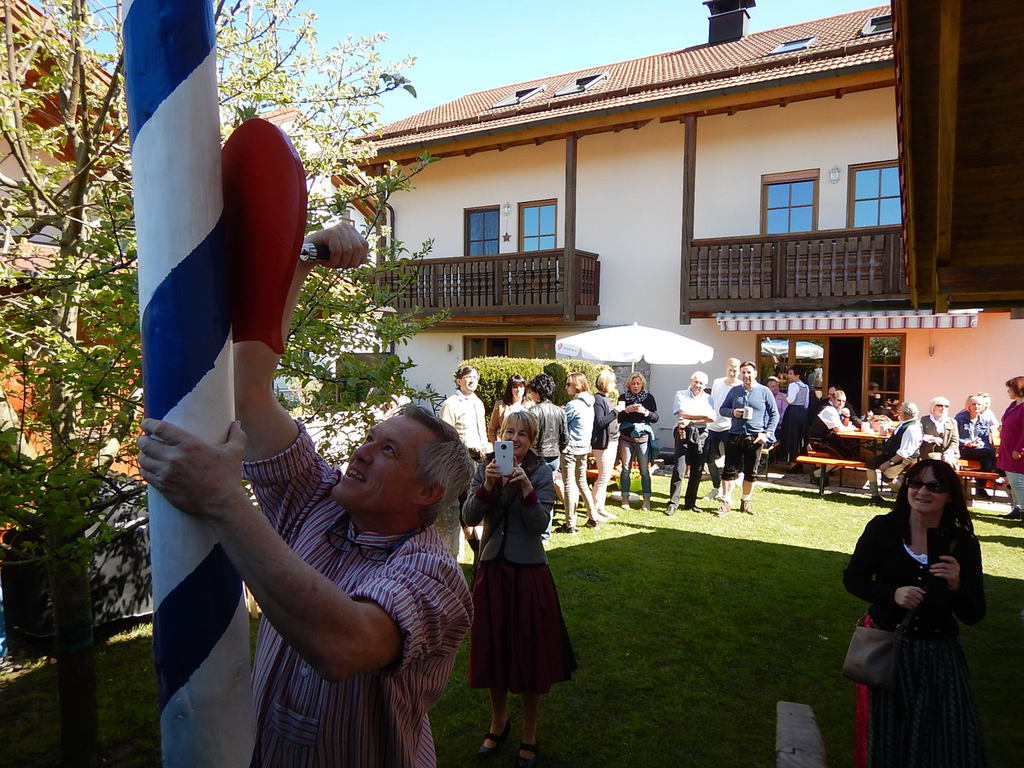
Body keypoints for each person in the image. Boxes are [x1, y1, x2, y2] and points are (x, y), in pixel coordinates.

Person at [136, 222, 475, 767]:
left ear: (427, 492)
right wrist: (303, 256)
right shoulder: (319, 498)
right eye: (371, 438)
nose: (362, 451)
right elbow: (247, 389)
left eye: (388, 451)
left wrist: (222, 498)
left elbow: (343, 646)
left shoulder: (434, 575)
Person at [843, 459, 987, 768]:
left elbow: (974, 613)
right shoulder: (884, 529)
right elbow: (853, 579)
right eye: (916, 483)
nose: (923, 492)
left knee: (946, 737)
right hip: (888, 649)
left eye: (935, 486)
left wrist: (957, 585)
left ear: (950, 495)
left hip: (938, 656)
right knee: (887, 734)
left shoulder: (962, 543)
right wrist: (892, 594)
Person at [462, 410, 576, 768]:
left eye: (522, 434)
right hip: (493, 568)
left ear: (532, 440)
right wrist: (487, 486)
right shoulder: (486, 467)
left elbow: (539, 525)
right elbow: (468, 516)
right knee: (493, 647)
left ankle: (529, 729)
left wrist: (526, 488)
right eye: (509, 432)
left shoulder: (540, 472)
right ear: (501, 435)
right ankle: (498, 721)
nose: (514, 438)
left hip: (528, 572)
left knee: (530, 651)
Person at [716, 361, 779, 517]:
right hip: (735, 435)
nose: (746, 375)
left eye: (749, 372)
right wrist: (733, 412)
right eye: (743, 372)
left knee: (751, 472)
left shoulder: (764, 391)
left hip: (755, 437)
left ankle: (745, 502)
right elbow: (722, 409)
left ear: (755, 373)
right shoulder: (735, 391)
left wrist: (767, 433)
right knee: (729, 471)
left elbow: (774, 414)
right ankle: (726, 501)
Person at [440, 364, 490, 556]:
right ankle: (477, 553)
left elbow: (482, 432)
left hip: (480, 462)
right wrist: (468, 446)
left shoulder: (478, 402)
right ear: (459, 380)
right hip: (461, 463)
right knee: (465, 510)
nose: (472, 380)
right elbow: (446, 437)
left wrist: (485, 447)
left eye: (475, 377)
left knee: (480, 505)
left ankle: (481, 554)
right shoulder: (451, 404)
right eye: (468, 377)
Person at [525, 374, 568, 541]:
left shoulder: (532, 412)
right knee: (547, 495)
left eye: (531, 391)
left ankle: (534, 529)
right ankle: (545, 533)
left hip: (535, 457)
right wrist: (557, 449)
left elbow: (529, 437)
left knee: (531, 492)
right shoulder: (559, 411)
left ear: (537, 392)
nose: (530, 395)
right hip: (554, 456)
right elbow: (565, 438)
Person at [666, 371, 715, 515]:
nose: (698, 385)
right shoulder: (681, 394)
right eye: (696, 382)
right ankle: (673, 503)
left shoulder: (709, 398)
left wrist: (691, 420)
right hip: (683, 432)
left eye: (701, 383)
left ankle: (690, 503)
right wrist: (702, 416)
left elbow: (711, 418)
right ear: (690, 381)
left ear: (705, 385)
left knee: (697, 470)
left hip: (701, 434)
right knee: (679, 469)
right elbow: (682, 413)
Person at [559, 372, 598, 532]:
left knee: (569, 484)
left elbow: (562, 423)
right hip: (583, 448)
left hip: (570, 449)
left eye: (569, 384)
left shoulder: (573, 405)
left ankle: (570, 524)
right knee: (582, 482)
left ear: (578, 385)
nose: (566, 387)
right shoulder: (590, 402)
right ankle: (593, 517)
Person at [866, 401, 924, 505]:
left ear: (904, 414)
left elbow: (905, 452)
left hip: (905, 459)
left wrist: (889, 463)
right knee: (871, 464)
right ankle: (875, 496)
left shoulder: (912, 428)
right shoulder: (905, 424)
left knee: (887, 476)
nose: (899, 413)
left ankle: (908, 496)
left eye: (900, 411)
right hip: (892, 455)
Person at [616, 372, 659, 511]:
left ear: (642, 384)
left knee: (644, 470)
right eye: (633, 383)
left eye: (638, 383)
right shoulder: (623, 398)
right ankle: (625, 499)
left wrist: (645, 412)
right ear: (629, 385)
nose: (635, 386)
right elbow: (617, 417)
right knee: (625, 469)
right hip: (626, 438)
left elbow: (655, 417)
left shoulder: (649, 397)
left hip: (643, 439)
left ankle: (646, 500)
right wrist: (626, 411)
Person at [702, 358, 741, 499]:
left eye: (735, 370)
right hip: (713, 425)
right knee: (709, 458)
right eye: (730, 370)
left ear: (738, 371)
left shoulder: (740, 386)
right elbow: (712, 401)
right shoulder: (717, 382)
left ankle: (727, 491)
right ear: (726, 369)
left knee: (730, 460)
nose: (732, 373)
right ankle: (716, 487)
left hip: (730, 427)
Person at [590, 369, 620, 522]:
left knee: (606, 476)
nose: (614, 385)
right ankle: (594, 510)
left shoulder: (605, 398)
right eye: (612, 382)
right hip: (603, 444)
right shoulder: (597, 400)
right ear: (605, 383)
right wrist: (616, 411)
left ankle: (600, 508)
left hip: (612, 441)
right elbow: (600, 422)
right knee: (603, 476)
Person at [955, 395, 998, 498]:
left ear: (983, 406)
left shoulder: (984, 420)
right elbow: (954, 437)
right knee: (990, 454)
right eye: (973, 404)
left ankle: (981, 488)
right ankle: (984, 484)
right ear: (968, 406)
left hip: (978, 450)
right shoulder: (959, 418)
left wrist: (980, 443)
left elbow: (985, 439)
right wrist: (966, 443)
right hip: (963, 449)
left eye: (979, 404)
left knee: (987, 458)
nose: (976, 406)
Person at [996, 376, 1024, 521]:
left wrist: (1019, 449)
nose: (1008, 391)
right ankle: (1017, 508)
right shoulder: (1013, 405)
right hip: (1008, 448)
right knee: (1012, 482)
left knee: (1018, 482)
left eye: (1010, 388)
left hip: (1017, 451)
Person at [806, 388, 860, 461]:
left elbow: (842, 426)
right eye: (839, 400)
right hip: (819, 444)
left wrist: (847, 416)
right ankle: (821, 471)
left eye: (844, 401)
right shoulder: (828, 409)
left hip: (826, 442)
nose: (841, 403)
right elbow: (838, 429)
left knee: (848, 453)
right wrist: (853, 428)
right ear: (832, 399)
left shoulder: (834, 409)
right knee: (846, 456)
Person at [779, 365, 812, 468]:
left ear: (797, 375)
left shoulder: (793, 385)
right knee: (800, 436)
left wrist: (782, 398)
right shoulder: (806, 386)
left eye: (791, 374)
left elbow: (790, 400)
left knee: (791, 435)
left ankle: (792, 460)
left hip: (793, 411)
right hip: (802, 412)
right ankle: (799, 459)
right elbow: (806, 403)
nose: (788, 376)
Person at [919, 396, 960, 467]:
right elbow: (918, 435)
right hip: (930, 452)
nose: (943, 408)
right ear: (933, 407)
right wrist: (930, 438)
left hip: (948, 452)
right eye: (940, 405)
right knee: (935, 461)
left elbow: (954, 440)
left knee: (949, 462)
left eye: (946, 406)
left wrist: (949, 452)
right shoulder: (924, 420)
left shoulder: (952, 422)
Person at [487, 374, 527, 444]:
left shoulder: (529, 406)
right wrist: (495, 445)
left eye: (521, 386)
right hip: (503, 445)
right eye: (515, 387)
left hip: (521, 445)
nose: (518, 390)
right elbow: (492, 430)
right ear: (510, 389)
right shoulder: (500, 405)